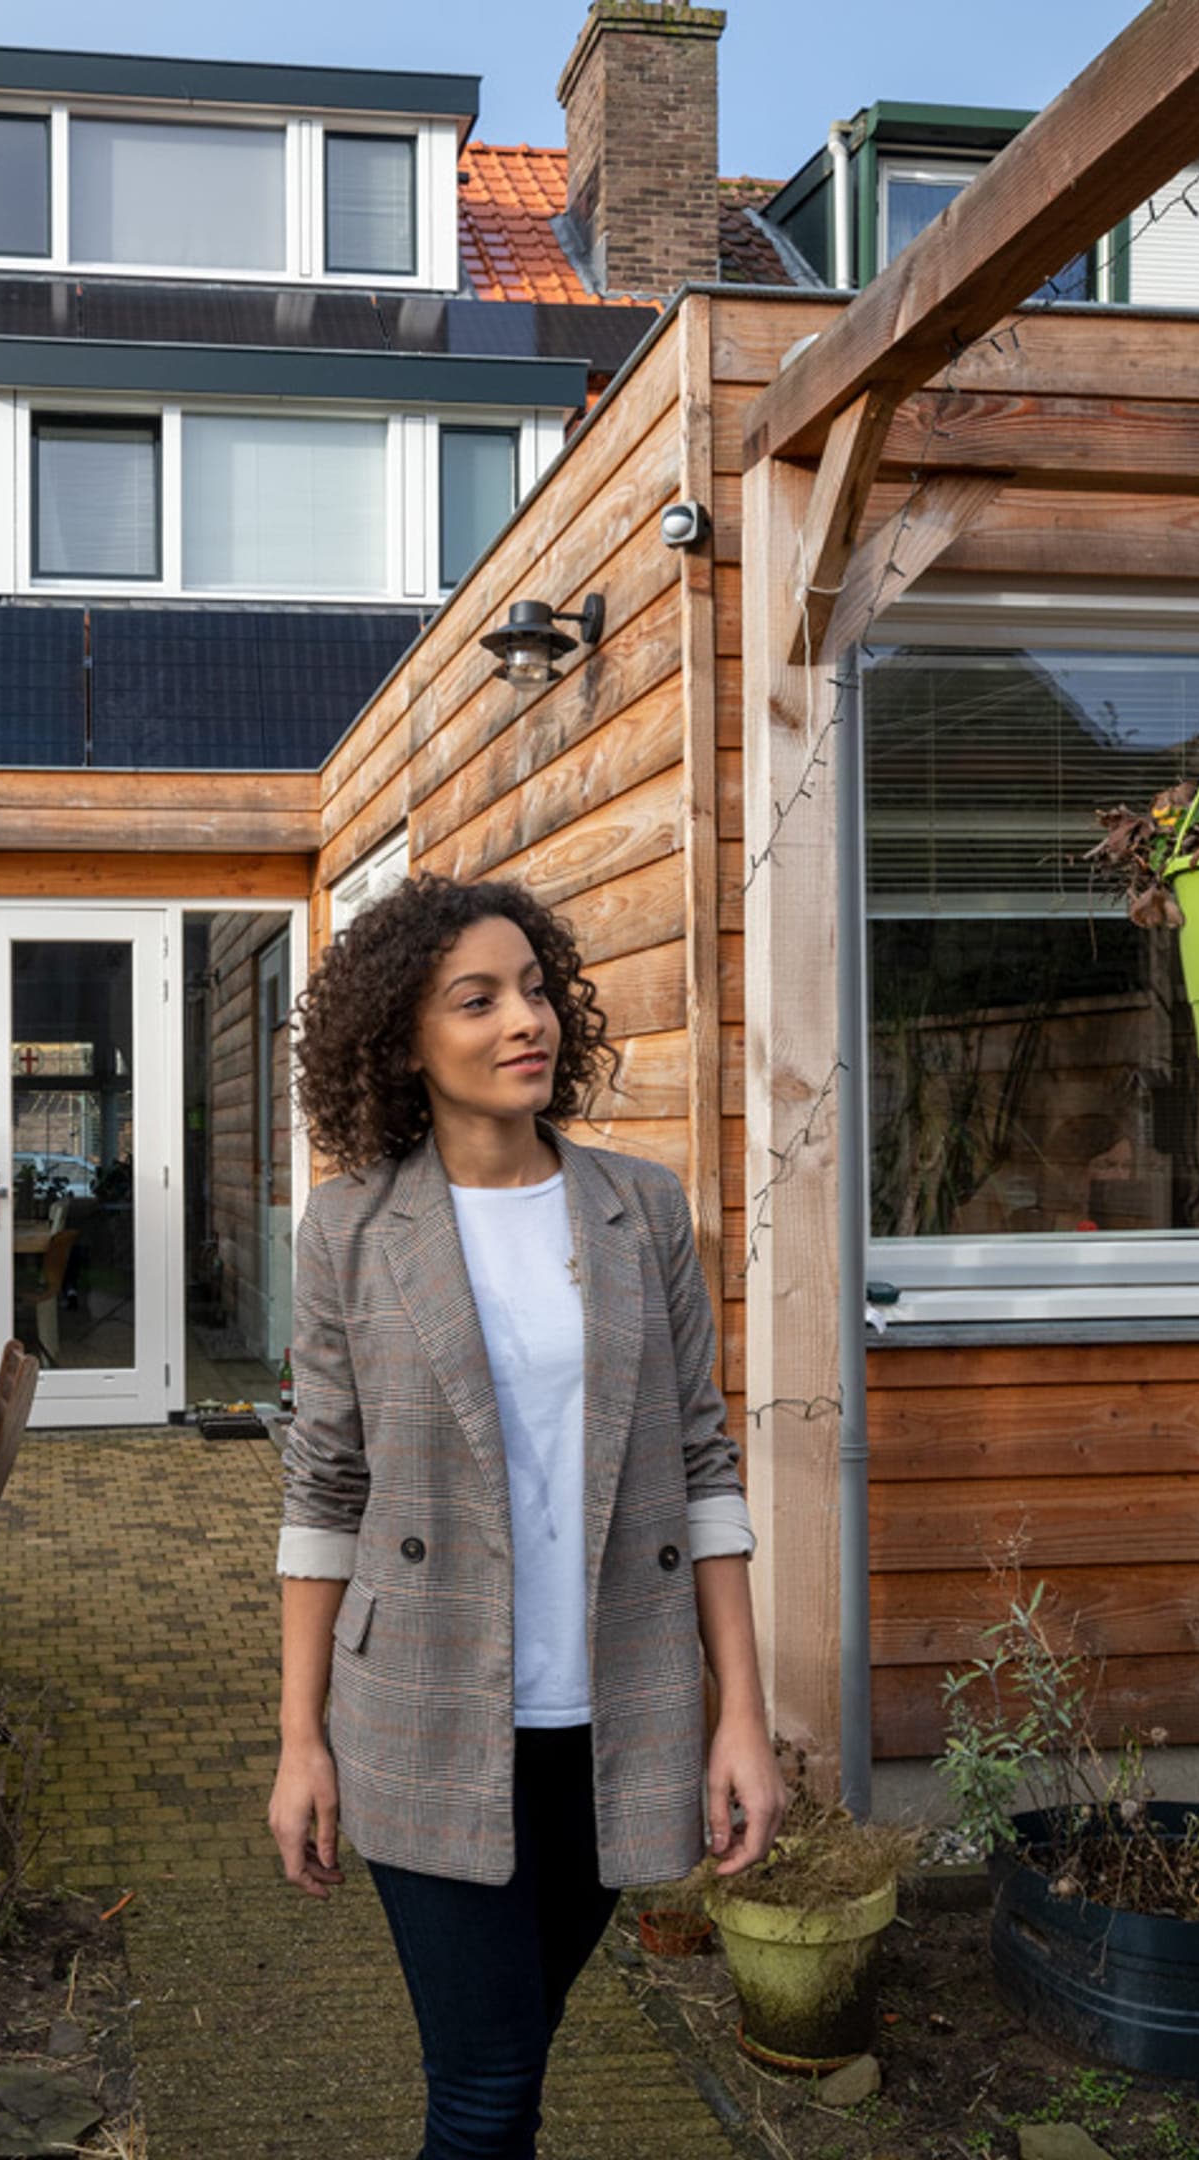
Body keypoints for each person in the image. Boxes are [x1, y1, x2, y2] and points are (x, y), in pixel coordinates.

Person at [266, 874, 781, 2159]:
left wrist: (741, 1713)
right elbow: (324, 1487)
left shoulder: (639, 1209)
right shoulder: (349, 1228)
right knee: (487, 2087)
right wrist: (298, 1739)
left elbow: (702, 1466)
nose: (524, 1021)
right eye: (477, 1000)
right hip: (423, 1710)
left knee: (510, 2053)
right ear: (402, 1041)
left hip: (618, 1713)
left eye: (536, 990)